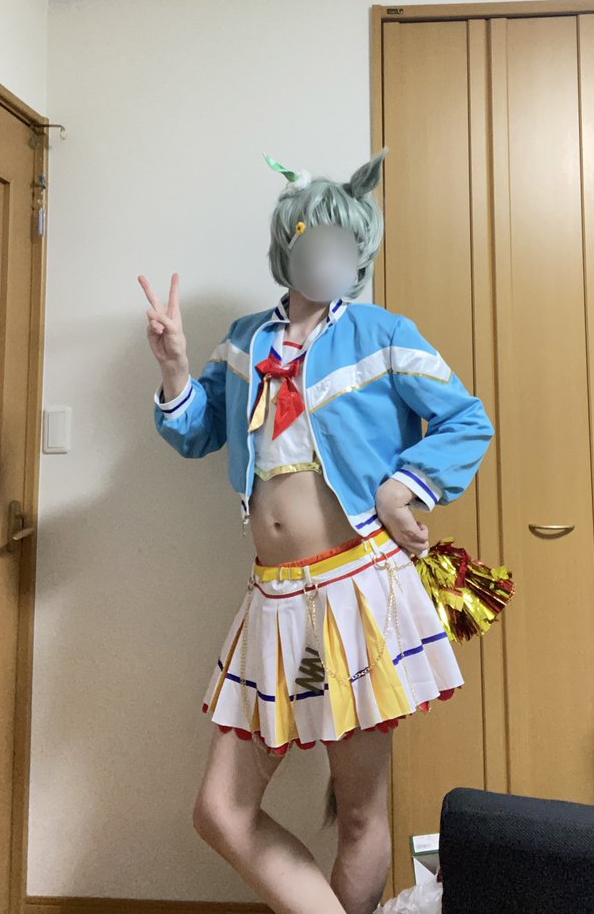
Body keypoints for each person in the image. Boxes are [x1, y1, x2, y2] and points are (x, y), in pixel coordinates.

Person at [138, 147, 495, 914]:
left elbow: (466, 420)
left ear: (361, 252)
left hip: (356, 596)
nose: (332, 254)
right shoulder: (244, 340)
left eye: (347, 242)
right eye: (315, 237)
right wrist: (173, 367)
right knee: (221, 811)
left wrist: (402, 487)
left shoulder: (381, 332)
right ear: (287, 243)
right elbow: (196, 432)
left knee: (358, 812)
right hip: (277, 609)